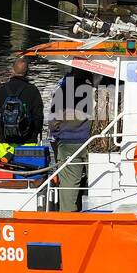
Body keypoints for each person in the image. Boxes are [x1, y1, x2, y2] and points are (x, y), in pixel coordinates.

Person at [48, 69, 94, 212]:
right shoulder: (94, 90)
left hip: (67, 142)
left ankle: (68, 219)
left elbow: (53, 121)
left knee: (68, 186)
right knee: (98, 180)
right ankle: (98, 212)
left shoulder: (61, 91)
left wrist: (59, 134)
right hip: (90, 142)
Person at [0, 57, 44, 149]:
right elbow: (38, 116)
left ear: (12, 70)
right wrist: (35, 133)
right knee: (28, 164)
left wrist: (2, 128)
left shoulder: (1, 89)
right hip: (28, 142)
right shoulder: (32, 90)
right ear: (27, 71)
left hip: (5, 143)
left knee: (4, 164)